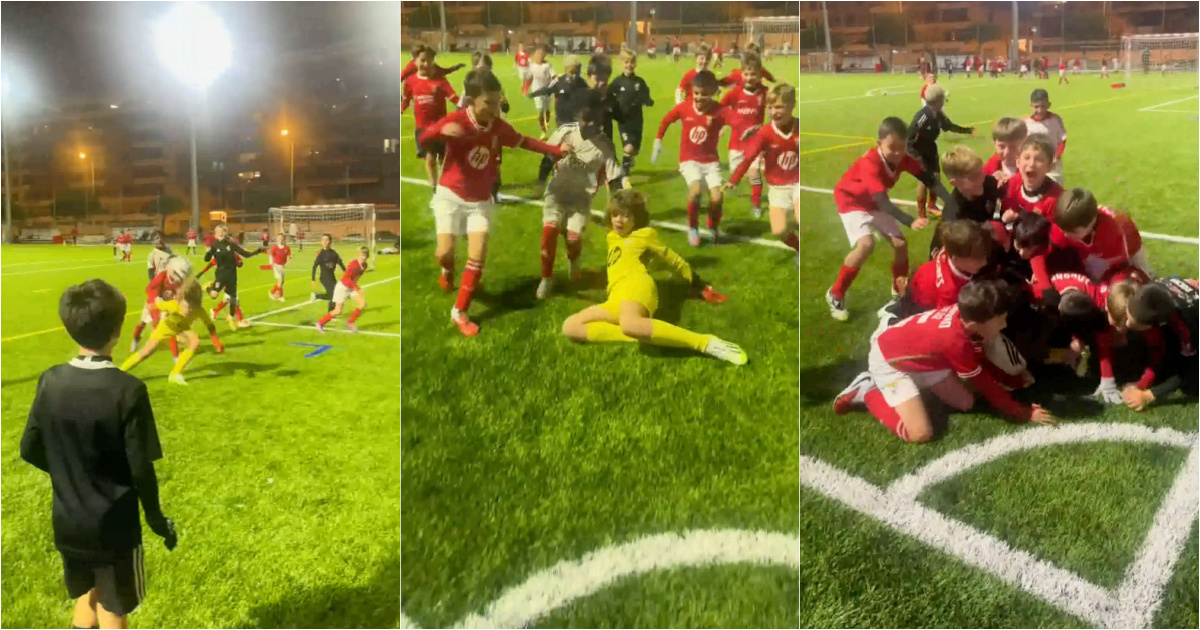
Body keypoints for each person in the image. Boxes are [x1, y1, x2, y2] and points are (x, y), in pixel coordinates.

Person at [21, 279, 178, 630]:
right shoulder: (128, 389)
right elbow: (140, 469)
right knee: (113, 608)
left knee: (86, 595)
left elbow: (29, 448)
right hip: (114, 528)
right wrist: (156, 520)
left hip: (68, 522)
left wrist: (71, 475)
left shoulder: (50, 380)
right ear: (119, 330)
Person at [419, 68, 567, 336]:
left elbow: (525, 142)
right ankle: (448, 270)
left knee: (477, 256)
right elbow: (423, 138)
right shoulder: (457, 120)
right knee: (445, 253)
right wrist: (440, 133)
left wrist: (555, 151)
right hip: (450, 197)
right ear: (472, 100)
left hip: (479, 202)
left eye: (498, 102)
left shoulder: (498, 127)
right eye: (489, 103)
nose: (495, 107)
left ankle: (459, 312)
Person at [833, 280, 1056, 443]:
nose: (1004, 325)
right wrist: (1022, 412)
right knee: (920, 433)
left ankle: (913, 384)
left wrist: (1012, 380)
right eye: (1000, 321)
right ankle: (867, 390)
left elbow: (977, 368)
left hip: (922, 357)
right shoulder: (956, 341)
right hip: (889, 362)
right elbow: (984, 383)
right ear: (976, 323)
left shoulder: (965, 318)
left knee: (967, 403)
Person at [560, 190, 746, 365]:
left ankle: (704, 343)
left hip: (636, 287)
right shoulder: (612, 237)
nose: (619, 220)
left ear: (637, 219)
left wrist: (695, 281)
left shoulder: (644, 235)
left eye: (626, 215)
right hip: (615, 297)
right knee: (571, 326)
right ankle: (648, 334)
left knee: (630, 323)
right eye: (616, 214)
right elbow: (596, 220)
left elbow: (671, 258)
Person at [824, 116, 955, 322]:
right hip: (852, 202)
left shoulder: (903, 158)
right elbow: (883, 201)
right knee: (866, 244)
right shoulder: (870, 163)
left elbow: (929, 179)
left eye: (901, 147)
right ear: (879, 144)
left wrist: (952, 202)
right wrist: (909, 220)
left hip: (874, 203)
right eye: (891, 147)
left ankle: (898, 291)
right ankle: (836, 294)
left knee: (901, 245)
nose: (897, 153)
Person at [537, 92, 621, 299]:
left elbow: (615, 178)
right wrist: (541, 180)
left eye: (595, 119)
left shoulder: (605, 146)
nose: (591, 124)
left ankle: (574, 262)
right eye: (586, 119)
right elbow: (547, 158)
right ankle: (546, 279)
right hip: (556, 192)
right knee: (549, 231)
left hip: (581, 199)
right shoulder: (565, 132)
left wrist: (618, 205)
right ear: (577, 116)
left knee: (573, 239)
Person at [653, 70, 732, 247]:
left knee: (717, 198)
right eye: (696, 93)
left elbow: (737, 121)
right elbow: (666, 120)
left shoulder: (719, 110)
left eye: (704, 94)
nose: (699, 97)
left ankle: (713, 228)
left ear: (713, 92)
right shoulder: (685, 107)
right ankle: (693, 228)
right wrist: (658, 139)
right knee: (696, 191)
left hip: (711, 161)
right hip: (689, 159)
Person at [727, 82, 799, 252]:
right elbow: (748, 157)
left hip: (797, 184)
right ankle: (799, 249)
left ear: (793, 106)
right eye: (771, 107)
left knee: (801, 217)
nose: (774, 112)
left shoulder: (800, 127)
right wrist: (734, 179)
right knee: (779, 230)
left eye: (780, 107)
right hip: (777, 188)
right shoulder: (765, 133)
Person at [120, 278, 225, 384]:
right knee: (146, 352)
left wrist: (215, 341)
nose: (188, 310)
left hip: (182, 330)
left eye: (192, 307)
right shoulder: (173, 305)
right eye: (186, 305)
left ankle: (175, 374)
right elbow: (156, 304)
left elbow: (210, 325)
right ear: (181, 300)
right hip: (165, 330)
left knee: (195, 341)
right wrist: (152, 305)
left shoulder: (199, 310)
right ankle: (119, 372)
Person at [1121, 278, 1199, 410]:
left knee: (1192, 386)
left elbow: (1189, 369)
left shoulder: (1187, 325)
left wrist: (1149, 395)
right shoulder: (1152, 289)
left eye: (1134, 323)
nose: (1127, 324)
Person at [906, 83, 976, 219]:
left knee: (936, 178)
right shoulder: (923, 116)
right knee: (924, 181)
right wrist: (915, 156)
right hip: (920, 152)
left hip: (931, 149)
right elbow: (910, 135)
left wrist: (967, 130)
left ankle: (932, 205)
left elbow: (948, 126)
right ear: (938, 101)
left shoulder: (938, 114)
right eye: (943, 99)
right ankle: (921, 213)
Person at [401, 45, 460, 186]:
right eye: (422, 60)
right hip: (423, 128)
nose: (426, 64)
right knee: (430, 158)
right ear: (415, 61)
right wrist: (400, 110)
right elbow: (406, 100)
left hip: (441, 127)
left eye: (429, 60)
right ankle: (434, 186)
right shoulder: (410, 82)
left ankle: (444, 182)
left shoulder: (440, 81)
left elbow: (453, 97)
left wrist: (464, 107)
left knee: (444, 158)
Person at [720, 53, 769, 217]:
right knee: (739, 173)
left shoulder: (764, 93)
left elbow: (775, 106)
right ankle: (738, 179)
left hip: (755, 143)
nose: (749, 77)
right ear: (742, 74)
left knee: (754, 173)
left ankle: (757, 204)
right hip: (736, 144)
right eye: (746, 74)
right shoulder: (735, 93)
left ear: (759, 75)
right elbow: (720, 109)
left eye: (753, 74)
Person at [606, 49, 654, 187]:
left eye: (632, 62)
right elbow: (608, 94)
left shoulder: (640, 82)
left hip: (637, 121)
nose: (629, 65)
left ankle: (628, 161)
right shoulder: (617, 82)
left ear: (635, 64)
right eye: (626, 62)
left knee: (634, 150)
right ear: (622, 63)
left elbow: (646, 96)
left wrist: (648, 101)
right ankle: (623, 175)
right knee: (628, 148)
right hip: (623, 121)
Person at [203, 223, 263, 329]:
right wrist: (208, 253)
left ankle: (238, 320)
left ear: (226, 233)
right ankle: (208, 288)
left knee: (233, 299)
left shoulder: (231, 244)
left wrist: (257, 251)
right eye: (219, 232)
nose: (221, 234)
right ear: (216, 234)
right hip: (221, 275)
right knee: (214, 295)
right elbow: (206, 259)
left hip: (232, 276)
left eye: (223, 232)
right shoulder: (214, 245)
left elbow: (245, 254)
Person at [317, 246, 370, 333]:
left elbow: (356, 277)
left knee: (362, 303)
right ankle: (320, 323)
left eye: (366, 256)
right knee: (338, 311)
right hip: (342, 287)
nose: (364, 257)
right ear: (359, 255)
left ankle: (350, 323)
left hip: (350, 288)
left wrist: (355, 288)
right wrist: (357, 288)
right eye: (362, 255)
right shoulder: (354, 264)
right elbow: (347, 278)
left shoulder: (364, 265)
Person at [1023, 89, 1067, 183]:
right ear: (1031, 106)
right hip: (1035, 165)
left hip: (1054, 166)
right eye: (1036, 107)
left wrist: (1057, 155)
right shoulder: (1027, 124)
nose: (1040, 110)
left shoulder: (1055, 120)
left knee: (1056, 192)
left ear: (1049, 105)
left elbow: (1062, 139)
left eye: (1043, 106)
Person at [983, 117, 1027, 184]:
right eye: (1001, 146)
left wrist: (1014, 181)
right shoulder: (990, 167)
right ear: (994, 144)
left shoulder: (1033, 169)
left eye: (1013, 147)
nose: (1007, 152)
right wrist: (990, 181)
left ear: (1025, 143)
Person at [311, 233, 345, 313]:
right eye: (323, 240)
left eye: (326, 240)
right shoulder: (321, 254)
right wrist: (313, 279)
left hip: (332, 277)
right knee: (333, 295)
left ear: (330, 242)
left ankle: (331, 313)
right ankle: (317, 296)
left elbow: (340, 263)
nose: (325, 242)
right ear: (321, 242)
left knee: (335, 295)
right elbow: (314, 266)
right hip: (324, 277)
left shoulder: (333, 253)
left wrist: (347, 273)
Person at [528, 45, 555, 139]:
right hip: (537, 93)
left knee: (547, 112)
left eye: (541, 53)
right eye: (537, 53)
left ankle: (546, 127)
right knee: (540, 111)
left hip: (547, 92)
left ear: (544, 55)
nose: (539, 55)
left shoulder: (548, 66)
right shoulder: (531, 66)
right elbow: (528, 78)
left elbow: (553, 76)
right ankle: (543, 131)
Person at [400, 43, 465, 82]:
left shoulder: (432, 66)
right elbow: (401, 77)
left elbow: (444, 71)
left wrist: (457, 67)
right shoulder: (411, 66)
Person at [268, 232, 292, 302]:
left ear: (284, 239)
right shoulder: (275, 248)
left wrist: (287, 262)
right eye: (279, 238)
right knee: (280, 280)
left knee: (282, 282)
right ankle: (280, 296)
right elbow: (271, 255)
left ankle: (272, 292)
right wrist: (271, 263)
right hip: (276, 265)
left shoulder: (287, 248)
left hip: (282, 266)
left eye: (281, 238)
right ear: (277, 239)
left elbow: (288, 256)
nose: (280, 239)